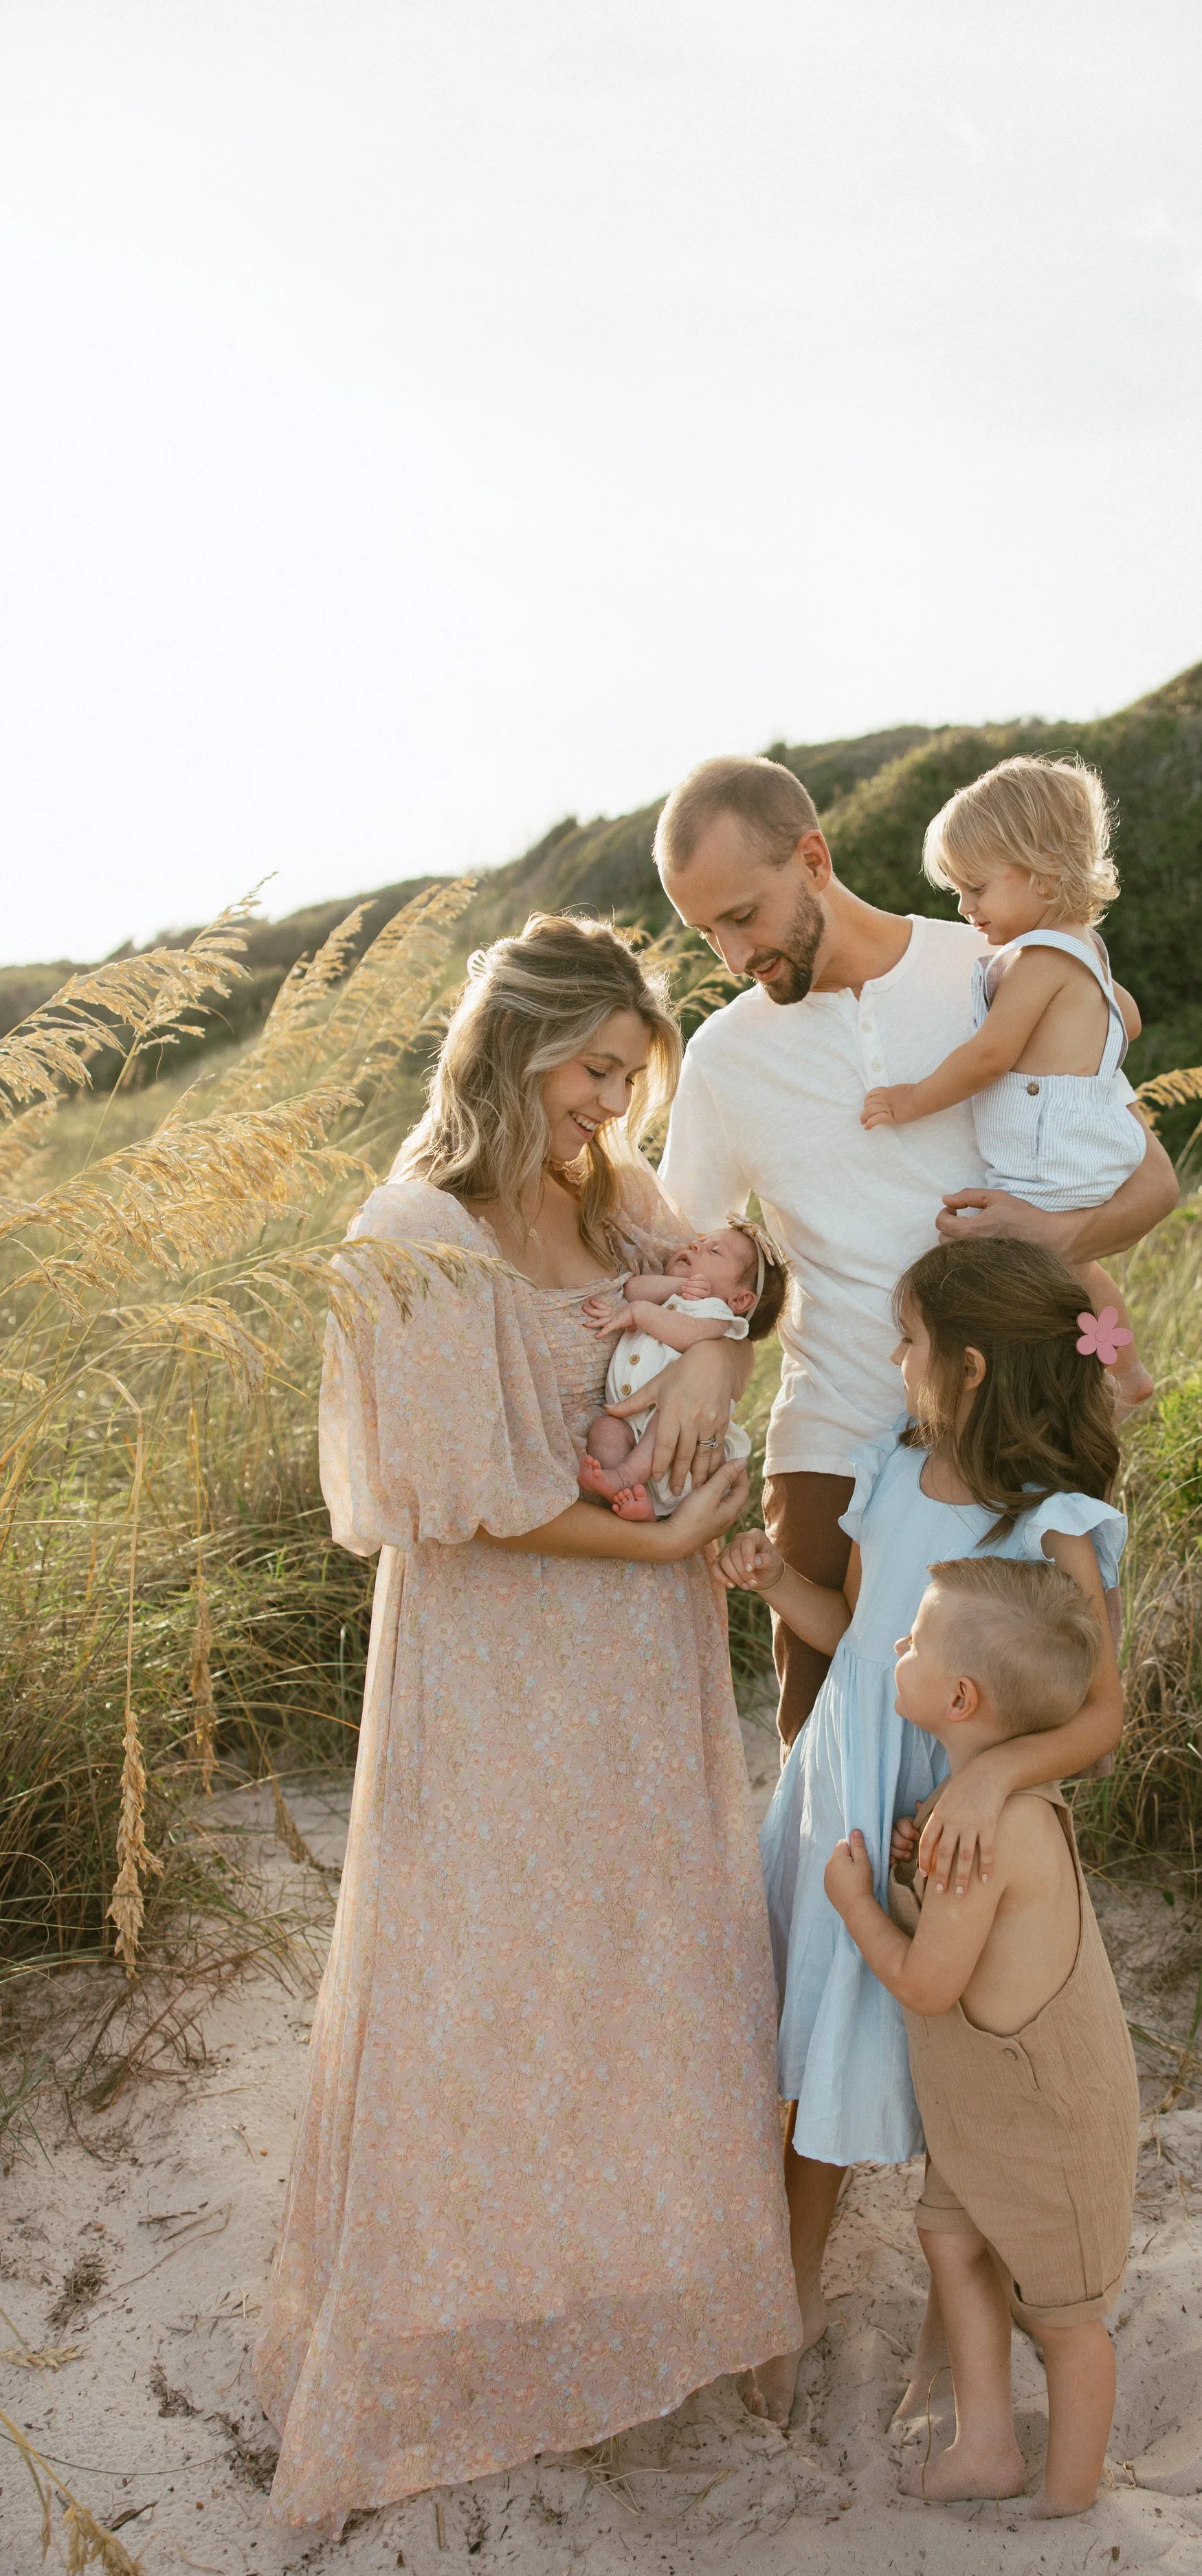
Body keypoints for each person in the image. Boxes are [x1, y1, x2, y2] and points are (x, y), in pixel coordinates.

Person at [255, 915, 798, 2529]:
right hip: (501, 1675)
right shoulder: (411, 1230)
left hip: (638, 1668)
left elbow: (710, 1318)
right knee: (484, 1978)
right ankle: (459, 2324)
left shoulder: (616, 1198)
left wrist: (712, 1392)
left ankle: (633, 2296)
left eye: (633, 1077)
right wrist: (644, 1537)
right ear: (515, 1049)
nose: (613, 1105)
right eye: (595, 1071)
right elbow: (451, 1503)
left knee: (637, 1961)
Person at [655, 753, 1179, 1751]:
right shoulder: (725, 1055)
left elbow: (1148, 1180)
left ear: (814, 858)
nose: (731, 956)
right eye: (706, 932)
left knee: (1003, 1746)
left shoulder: (995, 966)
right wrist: (713, 1356)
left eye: (744, 917)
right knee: (823, 1739)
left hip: (1005, 1433)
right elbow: (691, 1255)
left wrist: (1052, 1237)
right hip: (836, 1432)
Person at [716, 1236, 1127, 2421]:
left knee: (966, 2083)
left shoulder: (1053, 1522)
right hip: (845, 1784)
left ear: (974, 1367)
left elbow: (1100, 1710)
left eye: (910, 1342)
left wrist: (992, 1784)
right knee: (815, 2041)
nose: (895, 1359)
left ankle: (957, 2351)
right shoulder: (889, 1468)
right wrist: (771, 1584)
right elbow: (854, 1627)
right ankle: (787, 2302)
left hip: (953, 1816)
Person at [825, 1555, 1138, 2518]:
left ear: (958, 1698)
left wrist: (858, 1904)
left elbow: (927, 1983)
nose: (898, 1646)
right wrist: (918, 1875)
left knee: (1066, 2317)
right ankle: (987, 2447)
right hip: (990, 2108)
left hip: (1048, 2122)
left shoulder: (995, 1829)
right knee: (949, 2238)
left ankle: (1072, 2504)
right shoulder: (982, 1812)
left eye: (914, 1640)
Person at [858, 754, 1149, 1406]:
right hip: (1079, 1146)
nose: (965, 908)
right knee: (1078, 1270)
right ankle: (1122, 1374)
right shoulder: (1085, 950)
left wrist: (912, 1100)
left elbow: (988, 1057)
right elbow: (1126, 1016)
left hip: (1052, 1161)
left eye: (978, 889)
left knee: (1006, 1264)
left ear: (1043, 877)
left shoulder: (1041, 958)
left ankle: (1022, 1379)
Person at [577, 1221, 787, 1518]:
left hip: (677, 1439)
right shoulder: (671, 1295)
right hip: (632, 1426)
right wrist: (678, 1285)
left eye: (714, 1251)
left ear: (740, 1300)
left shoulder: (719, 1317)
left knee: (669, 1412)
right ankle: (630, 1498)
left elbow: (687, 1334)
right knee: (605, 1431)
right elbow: (632, 1288)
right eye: (700, 1240)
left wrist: (640, 1313)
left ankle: (626, 1477)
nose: (695, 1245)